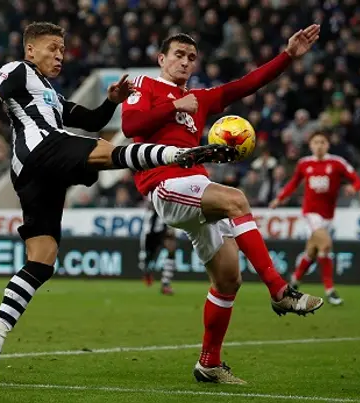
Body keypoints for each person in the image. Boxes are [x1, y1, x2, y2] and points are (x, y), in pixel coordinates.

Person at [0, 22, 233, 391]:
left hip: (40, 175)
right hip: (40, 151)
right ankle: (178, 154)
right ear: (30, 50)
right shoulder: (17, 71)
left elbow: (89, 119)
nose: (59, 55)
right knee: (104, 151)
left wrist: (112, 101)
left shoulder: (50, 93)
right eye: (52, 48)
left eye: (62, 50)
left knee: (42, 258)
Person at [121, 26, 324, 385]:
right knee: (237, 199)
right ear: (161, 59)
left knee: (229, 280)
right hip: (163, 184)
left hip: (197, 186)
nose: (185, 61)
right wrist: (174, 106)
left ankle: (209, 364)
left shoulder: (199, 98)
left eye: (191, 57)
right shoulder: (144, 87)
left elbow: (244, 85)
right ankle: (279, 290)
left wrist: (288, 55)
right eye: (178, 55)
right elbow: (130, 125)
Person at [269, 131, 360, 306]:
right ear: (311, 145)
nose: (319, 145)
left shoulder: (337, 163)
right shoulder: (304, 164)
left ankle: (294, 282)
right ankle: (330, 291)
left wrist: (353, 188)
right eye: (316, 142)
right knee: (326, 245)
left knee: (312, 252)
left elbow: (356, 180)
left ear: (328, 145)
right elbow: (293, 183)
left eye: (322, 142)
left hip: (328, 215)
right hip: (311, 213)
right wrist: (279, 198)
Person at [138, 202, 177, 295]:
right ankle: (147, 273)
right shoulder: (153, 193)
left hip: (164, 226)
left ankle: (165, 284)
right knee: (148, 259)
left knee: (171, 249)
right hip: (151, 231)